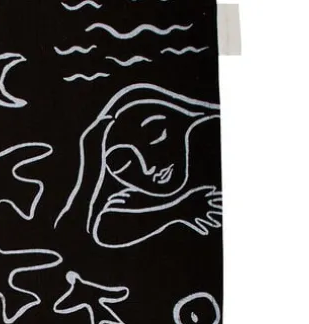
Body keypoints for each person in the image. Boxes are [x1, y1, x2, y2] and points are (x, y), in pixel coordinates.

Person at [55, 83, 222, 248]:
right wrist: (178, 210)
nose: (148, 168)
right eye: (122, 164)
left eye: (155, 134)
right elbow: (103, 230)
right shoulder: (135, 200)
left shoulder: (213, 159)